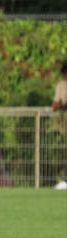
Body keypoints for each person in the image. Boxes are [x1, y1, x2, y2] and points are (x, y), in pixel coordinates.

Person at [51, 62, 67, 190]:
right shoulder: (62, 85)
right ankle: (65, 180)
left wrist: (61, 106)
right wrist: (56, 105)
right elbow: (56, 102)